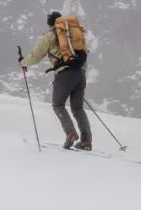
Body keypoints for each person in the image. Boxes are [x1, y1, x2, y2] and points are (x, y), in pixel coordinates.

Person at [19, 11, 92, 150]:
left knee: (58, 105)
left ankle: (70, 133)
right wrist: (79, 74)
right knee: (78, 108)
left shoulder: (50, 35)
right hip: (81, 74)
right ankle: (86, 141)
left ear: (50, 23)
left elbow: (36, 55)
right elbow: (84, 54)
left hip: (64, 75)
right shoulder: (74, 34)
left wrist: (23, 63)